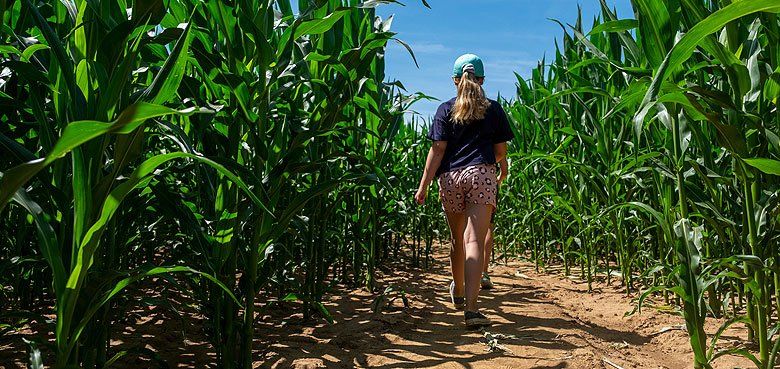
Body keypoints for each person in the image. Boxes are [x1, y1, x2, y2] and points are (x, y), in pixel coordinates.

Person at [414, 54, 514, 328]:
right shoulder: (493, 109)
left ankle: (457, 291)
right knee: (473, 242)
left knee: (457, 240)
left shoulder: (444, 110)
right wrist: (499, 170)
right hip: (481, 174)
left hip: (449, 177)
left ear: (455, 80)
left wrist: (423, 186)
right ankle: (471, 309)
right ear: (482, 80)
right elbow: (500, 151)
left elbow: (437, 151)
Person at [481, 157, 508, 290]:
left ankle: (464, 274)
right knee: (488, 227)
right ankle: (483, 273)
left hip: (458, 177)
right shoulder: (490, 135)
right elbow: (504, 170)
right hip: (487, 181)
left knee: (463, 228)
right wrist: (497, 180)